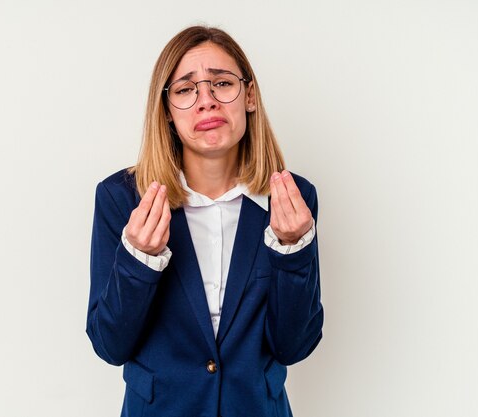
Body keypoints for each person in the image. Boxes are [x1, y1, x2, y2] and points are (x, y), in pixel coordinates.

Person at [86, 25, 323, 417]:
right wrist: (139, 260)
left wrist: (292, 251)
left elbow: (293, 347)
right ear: (166, 111)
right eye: (185, 89)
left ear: (248, 96)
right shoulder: (121, 198)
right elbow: (111, 346)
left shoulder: (293, 198)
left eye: (222, 84)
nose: (207, 101)